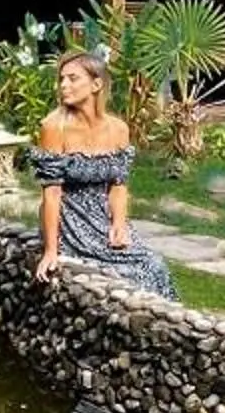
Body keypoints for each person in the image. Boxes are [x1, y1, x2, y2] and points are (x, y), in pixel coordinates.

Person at [32, 51, 175, 298]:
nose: (64, 85)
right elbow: (52, 193)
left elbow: (118, 184)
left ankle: (162, 331)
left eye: (73, 78)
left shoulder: (118, 129)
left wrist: (119, 223)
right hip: (71, 218)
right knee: (118, 277)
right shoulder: (54, 127)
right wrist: (51, 250)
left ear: (96, 84)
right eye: (61, 79)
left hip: (105, 217)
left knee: (155, 265)